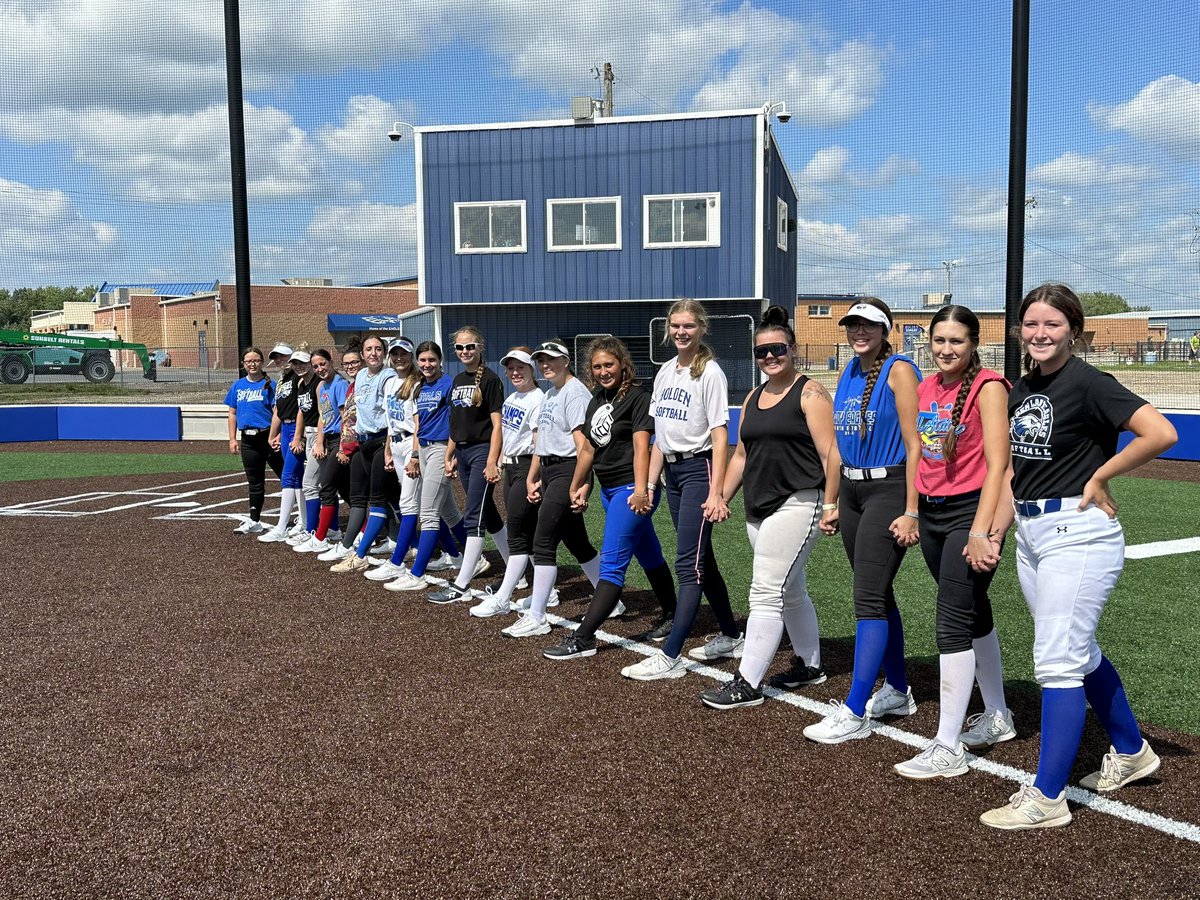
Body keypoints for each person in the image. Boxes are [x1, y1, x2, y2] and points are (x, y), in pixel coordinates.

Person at [980, 283, 1176, 830]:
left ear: (1075, 331)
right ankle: (1134, 753)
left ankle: (1047, 799)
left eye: (1053, 325)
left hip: (1080, 534)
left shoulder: (1089, 383)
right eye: (1031, 324)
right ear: (1019, 330)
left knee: (1058, 661)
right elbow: (1016, 472)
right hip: (1032, 532)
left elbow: (1160, 432)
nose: (1040, 334)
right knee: (1078, 652)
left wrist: (1101, 474)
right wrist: (994, 532)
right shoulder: (1021, 388)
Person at [892, 305, 1016, 779]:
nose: (946, 349)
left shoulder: (988, 389)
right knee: (974, 613)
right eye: (939, 340)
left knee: (951, 624)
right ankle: (999, 715)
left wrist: (983, 530)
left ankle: (947, 746)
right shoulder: (927, 387)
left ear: (973, 343)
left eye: (956, 341)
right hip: (934, 513)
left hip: (970, 514)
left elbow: (999, 466)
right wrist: (913, 510)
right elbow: (919, 453)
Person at [696, 306, 838, 708]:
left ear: (792, 349)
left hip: (799, 502)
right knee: (790, 590)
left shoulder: (810, 393)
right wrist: (720, 494)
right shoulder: (755, 395)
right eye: (762, 352)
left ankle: (747, 681)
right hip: (758, 508)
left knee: (766, 591)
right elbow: (741, 455)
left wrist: (831, 504)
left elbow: (832, 455)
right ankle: (810, 666)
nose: (770, 357)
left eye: (777, 349)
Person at [803, 298, 922, 743]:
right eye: (853, 325)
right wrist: (831, 501)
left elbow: (915, 444)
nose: (859, 331)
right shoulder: (849, 371)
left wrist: (912, 509)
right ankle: (897, 689)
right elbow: (835, 446)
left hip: (889, 488)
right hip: (851, 492)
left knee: (867, 597)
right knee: (878, 591)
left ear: (885, 328)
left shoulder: (900, 369)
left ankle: (855, 710)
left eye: (868, 325)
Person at [622, 299, 740, 681]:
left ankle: (670, 655)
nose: (681, 332)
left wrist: (717, 490)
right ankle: (731, 633)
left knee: (688, 564)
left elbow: (722, 436)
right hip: (673, 473)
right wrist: (650, 485)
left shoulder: (711, 373)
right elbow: (659, 437)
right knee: (703, 558)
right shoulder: (665, 372)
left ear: (701, 328)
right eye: (675, 326)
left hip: (700, 469)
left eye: (688, 326)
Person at [542, 337, 677, 660]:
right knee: (650, 555)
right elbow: (588, 448)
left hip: (632, 490)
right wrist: (580, 485)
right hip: (607, 490)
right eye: (597, 366)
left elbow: (643, 446)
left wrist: (643, 489)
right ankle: (673, 614)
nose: (603, 371)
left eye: (609, 365)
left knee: (613, 564)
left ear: (622, 364)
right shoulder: (597, 399)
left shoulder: (637, 397)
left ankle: (583, 638)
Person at [501, 340, 601, 638]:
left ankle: (538, 616)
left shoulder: (575, 393)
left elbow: (584, 446)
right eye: (542, 361)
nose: (546, 365)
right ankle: (613, 599)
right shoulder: (551, 393)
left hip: (569, 470)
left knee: (543, 541)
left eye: (552, 360)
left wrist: (582, 483)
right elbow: (542, 442)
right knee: (577, 542)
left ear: (566, 361)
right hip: (549, 469)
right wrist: (534, 476)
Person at [427, 327, 511, 603]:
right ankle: (518, 571)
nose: (465, 352)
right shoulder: (458, 380)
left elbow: (497, 425)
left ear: (480, 347)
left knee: (473, 516)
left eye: (470, 346)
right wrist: (449, 455)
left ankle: (461, 584)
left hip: (481, 452)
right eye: (461, 348)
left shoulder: (490, 379)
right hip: (461, 453)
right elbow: (456, 425)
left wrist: (492, 460)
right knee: (490, 515)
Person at [467, 348, 546, 618]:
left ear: (531, 369)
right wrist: (498, 461)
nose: (515, 373)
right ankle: (548, 591)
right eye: (510, 368)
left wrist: (533, 476)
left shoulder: (538, 398)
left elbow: (538, 444)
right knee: (528, 530)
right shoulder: (513, 397)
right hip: (512, 466)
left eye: (520, 368)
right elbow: (507, 434)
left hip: (526, 466)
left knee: (517, 532)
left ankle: (504, 596)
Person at [385, 341, 468, 592]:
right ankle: (475, 558)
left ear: (440, 361)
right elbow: (419, 425)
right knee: (449, 513)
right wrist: (414, 454)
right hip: (423, 448)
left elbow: (456, 421)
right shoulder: (420, 387)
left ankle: (416, 574)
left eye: (431, 360)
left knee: (428, 512)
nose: (427, 365)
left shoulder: (448, 383)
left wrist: (451, 453)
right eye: (423, 360)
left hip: (442, 448)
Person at [325, 334, 395, 571]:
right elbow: (352, 417)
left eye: (377, 349)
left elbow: (390, 415)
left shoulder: (389, 376)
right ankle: (407, 542)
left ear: (383, 353)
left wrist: (388, 448)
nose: (373, 353)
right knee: (392, 498)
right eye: (369, 349)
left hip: (381, 441)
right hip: (363, 443)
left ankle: (359, 554)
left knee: (377, 500)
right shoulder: (362, 376)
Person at [293, 347, 350, 554]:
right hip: (327, 440)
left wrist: (343, 446)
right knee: (342, 489)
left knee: (328, 486)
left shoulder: (340, 384)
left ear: (330, 361)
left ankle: (319, 535)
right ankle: (330, 531)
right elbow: (323, 417)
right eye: (316, 366)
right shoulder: (320, 388)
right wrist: (319, 441)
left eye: (322, 364)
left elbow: (345, 417)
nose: (319, 369)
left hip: (340, 441)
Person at [225, 346, 282, 534]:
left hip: (268, 437)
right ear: (243, 364)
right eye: (248, 361)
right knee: (255, 482)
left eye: (256, 360)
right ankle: (254, 520)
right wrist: (232, 438)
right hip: (248, 441)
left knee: (288, 478)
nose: (252, 364)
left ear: (262, 362)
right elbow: (232, 413)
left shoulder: (270, 385)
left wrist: (276, 435)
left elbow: (277, 412)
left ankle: (305, 519)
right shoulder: (238, 386)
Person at [258, 344, 309, 543]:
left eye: (282, 356)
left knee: (288, 476)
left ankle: (281, 527)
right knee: (296, 477)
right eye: (276, 357)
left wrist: (298, 435)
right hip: (286, 430)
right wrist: (274, 434)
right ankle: (304, 522)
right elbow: (279, 410)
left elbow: (301, 409)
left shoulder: (298, 377)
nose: (279, 360)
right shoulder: (281, 381)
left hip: (297, 430)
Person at [288, 348, 323, 546]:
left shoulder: (318, 384)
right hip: (308, 434)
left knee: (311, 484)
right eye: (295, 363)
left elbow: (322, 413)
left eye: (302, 362)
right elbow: (301, 411)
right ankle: (330, 528)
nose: (299, 367)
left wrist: (319, 441)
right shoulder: (301, 383)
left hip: (319, 435)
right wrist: (297, 436)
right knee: (320, 485)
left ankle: (312, 529)